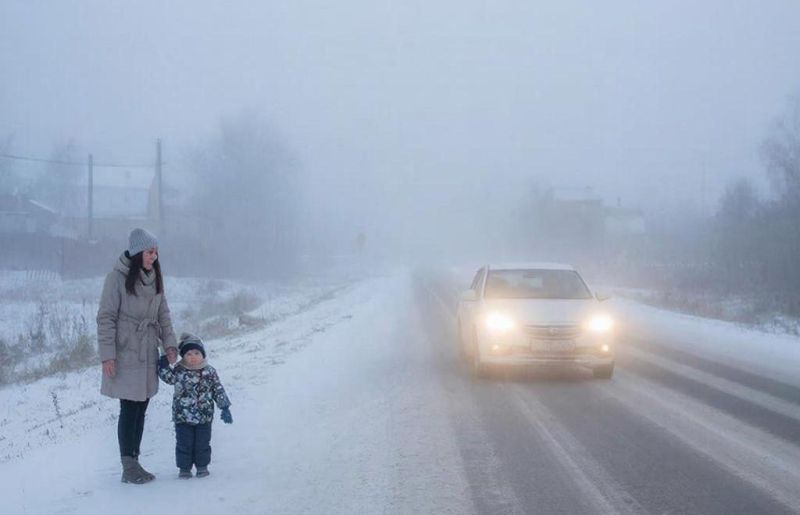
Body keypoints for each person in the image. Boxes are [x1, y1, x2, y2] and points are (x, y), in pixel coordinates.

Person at [97, 228, 178, 484]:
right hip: (126, 351)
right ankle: (128, 466)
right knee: (129, 407)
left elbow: (163, 314)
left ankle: (134, 461)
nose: (154, 256)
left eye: (156, 252)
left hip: (147, 351)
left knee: (142, 406)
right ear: (137, 253)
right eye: (150, 252)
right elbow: (106, 318)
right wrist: (107, 356)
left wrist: (170, 345)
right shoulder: (116, 278)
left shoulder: (155, 278)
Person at [158, 333, 232, 479]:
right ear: (183, 356)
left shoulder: (209, 371)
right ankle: (184, 468)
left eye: (197, 353)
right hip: (182, 417)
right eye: (189, 354)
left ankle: (202, 467)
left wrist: (224, 407)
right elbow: (168, 378)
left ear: (203, 354)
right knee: (183, 444)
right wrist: (163, 363)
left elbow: (218, 389)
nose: (193, 357)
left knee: (202, 444)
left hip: (204, 417)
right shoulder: (179, 370)